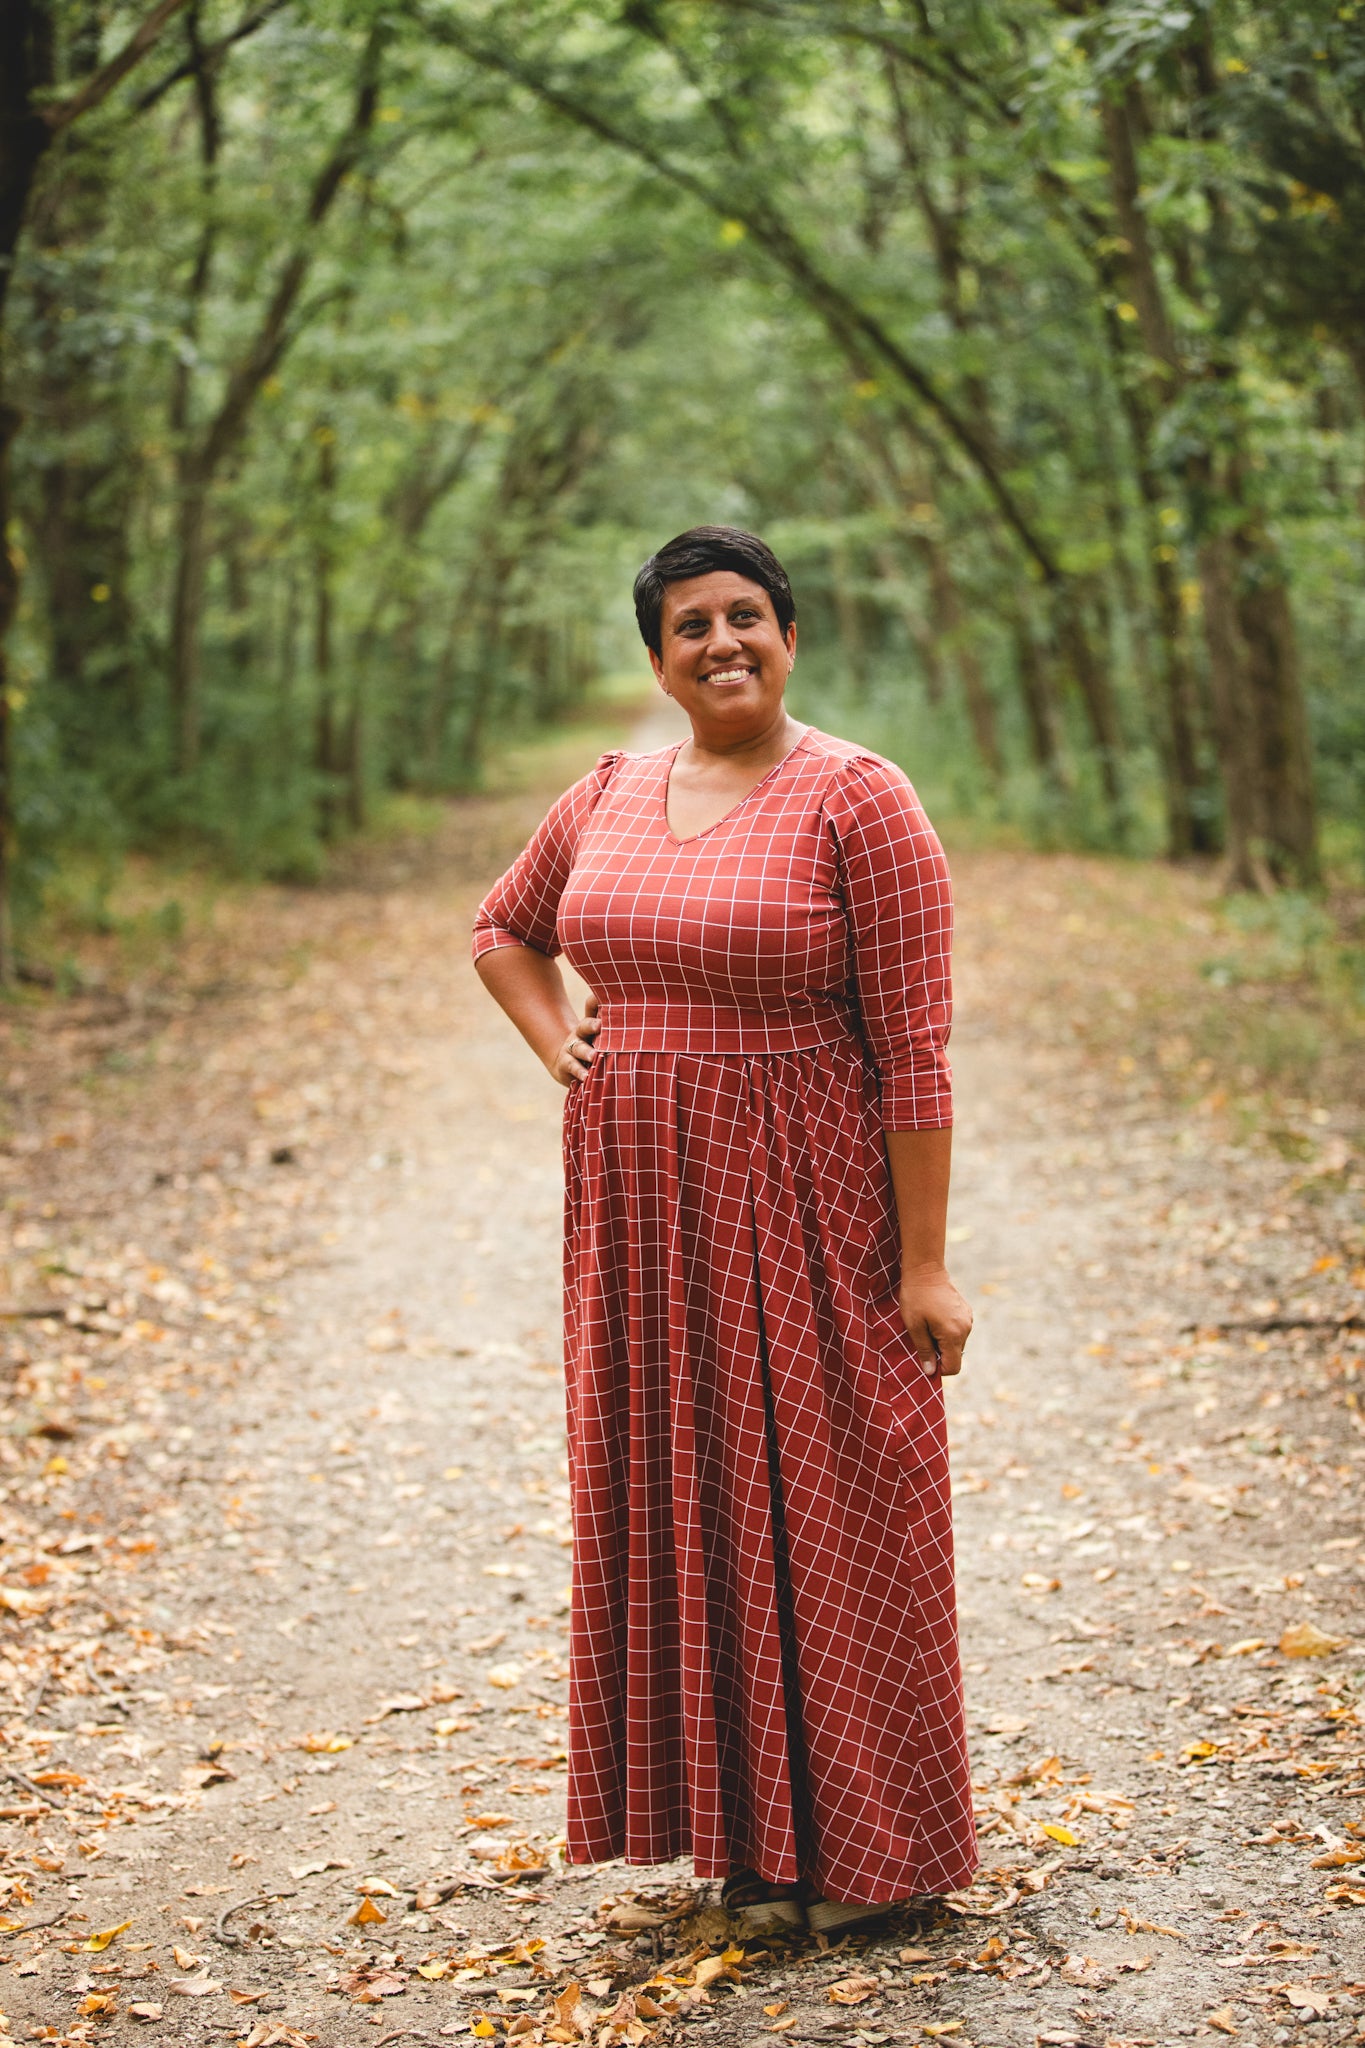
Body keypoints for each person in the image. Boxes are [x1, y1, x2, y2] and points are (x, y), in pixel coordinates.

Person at [472, 525, 976, 1936]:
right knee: (686, 1496)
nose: (721, 644)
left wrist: (922, 1262)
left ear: (790, 637)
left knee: (833, 1494)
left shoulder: (857, 801)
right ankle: (743, 1843)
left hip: (812, 1205)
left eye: (744, 616)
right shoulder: (609, 790)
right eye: (689, 625)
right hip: (640, 1220)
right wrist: (558, 1047)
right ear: (657, 659)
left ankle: (874, 1855)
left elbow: (915, 1051)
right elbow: (501, 930)